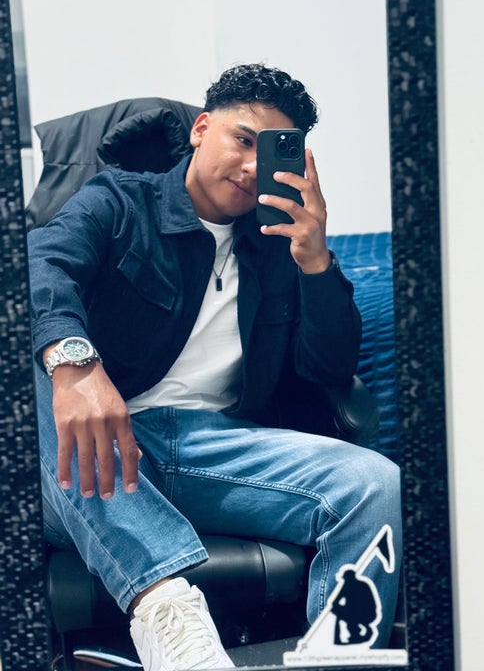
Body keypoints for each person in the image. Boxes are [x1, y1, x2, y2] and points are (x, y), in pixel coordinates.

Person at [28, 63, 402, 670]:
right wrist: (76, 365)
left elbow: (329, 369)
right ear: (201, 129)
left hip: (218, 449)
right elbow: (39, 267)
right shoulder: (119, 200)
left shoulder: (278, 243)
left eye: (271, 152)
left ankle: (336, 663)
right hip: (96, 451)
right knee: (33, 371)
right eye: (242, 139)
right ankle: (173, 622)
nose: (252, 166)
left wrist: (315, 261)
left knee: (376, 484)